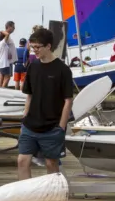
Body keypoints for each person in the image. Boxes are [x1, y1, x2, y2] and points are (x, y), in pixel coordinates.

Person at [17, 27, 73, 178]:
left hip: (52, 128)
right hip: (30, 125)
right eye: (32, 47)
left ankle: (55, 197)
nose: (35, 50)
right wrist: (24, 118)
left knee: (51, 164)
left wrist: (61, 127)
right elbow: (29, 95)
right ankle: (25, 197)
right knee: (22, 161)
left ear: (48, 46)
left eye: (37, 47)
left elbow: (68, 101)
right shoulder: (33, 66)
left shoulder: (63, 70)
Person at [0, 21, 17, 88]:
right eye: (13, 27)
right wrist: (2, 31)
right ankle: (2, 90)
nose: (14, 28)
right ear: (9, 27)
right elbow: (7, 35)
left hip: (1, 62)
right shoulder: (3, 43)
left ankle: (0, 89)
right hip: (6, 62)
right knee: (7, 77)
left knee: (1, 78)